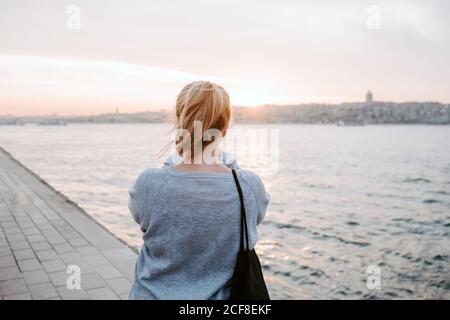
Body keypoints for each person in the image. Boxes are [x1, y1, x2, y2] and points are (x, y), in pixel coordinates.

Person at [128, 81, 270, 299]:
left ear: (179, 122)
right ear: (224, 128)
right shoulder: (248, 186)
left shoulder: (150, 184)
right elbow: (252, 219)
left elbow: (142, 217)